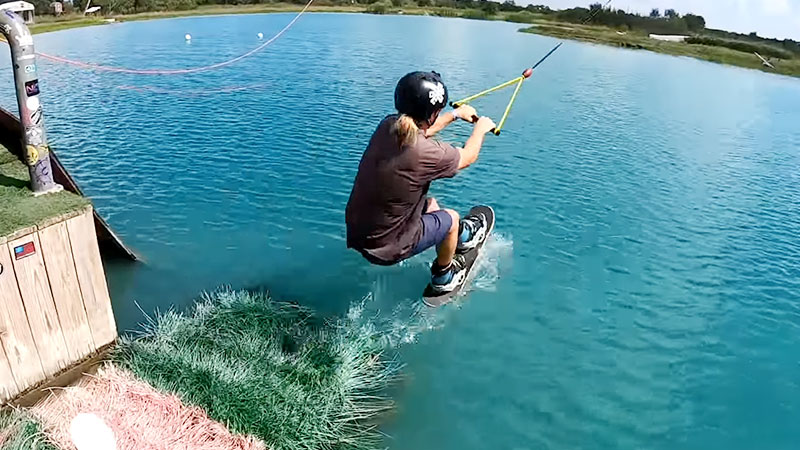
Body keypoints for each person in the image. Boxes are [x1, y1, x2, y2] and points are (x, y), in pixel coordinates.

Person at [345, 71, 496, 293]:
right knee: (451, 218)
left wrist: (455, 115)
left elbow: (419, 132)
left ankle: (462, 236)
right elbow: (467, 157)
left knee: (430, 204)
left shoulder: (387, 126)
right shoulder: (425, 153)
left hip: (360, 234)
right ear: (432, 114)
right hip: (388, 247)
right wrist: (480, 129)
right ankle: (444, 276)